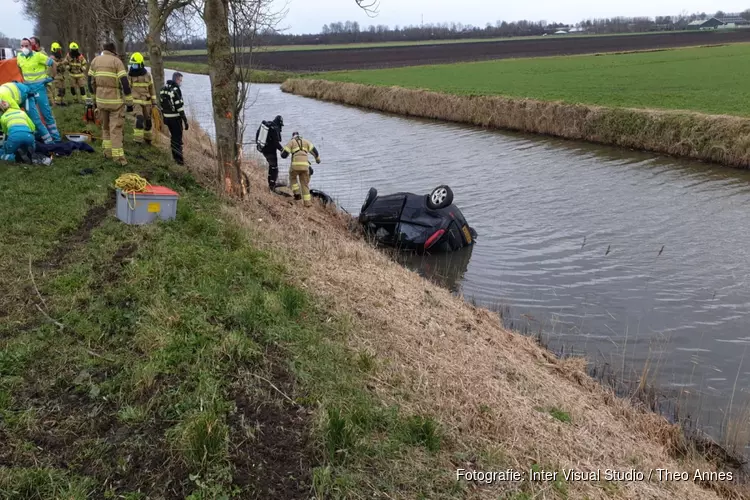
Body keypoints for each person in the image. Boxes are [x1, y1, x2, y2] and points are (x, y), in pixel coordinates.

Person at [88, 41, 133, 165]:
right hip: (115, 103)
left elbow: (90, 82)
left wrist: (94, 99)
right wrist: (129, 101)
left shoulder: (95, 61)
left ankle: (107, 153)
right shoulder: (117, 62)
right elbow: (124, 82)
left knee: (105, 127)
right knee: (116, 130)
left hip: (101, 101)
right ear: (114, 51)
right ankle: (119, 159)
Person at [17, 37, 60, 142]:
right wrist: (23, 79)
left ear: (31, 46)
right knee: (33, 115)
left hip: (39, 88)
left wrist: (52, 77)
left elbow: (53, 63)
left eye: (26, 46)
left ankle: (56, 138)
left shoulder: (38, 56)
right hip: (28, 89)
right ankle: (41, 136)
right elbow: (19, 67)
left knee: (46, 113)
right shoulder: (19, 56)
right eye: (22, 46)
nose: (24, 48)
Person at [280, 131, 321, 207]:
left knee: (292, 178)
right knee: (305, 184)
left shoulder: (291, 142)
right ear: (299, 136)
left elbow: (284, 155)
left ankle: (297, 194)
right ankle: (307, 204)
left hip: (295, 166)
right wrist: (317, 159)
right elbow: (315, 151)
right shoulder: (306, 142)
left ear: (293, 137)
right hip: (305, 167)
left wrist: (282, 151)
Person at [127, 52, 156, 145]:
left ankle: (148, 140)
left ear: (141, 64)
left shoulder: (148, 75)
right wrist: (128, 103)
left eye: (135, 64)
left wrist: (154, 103)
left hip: (147, 102)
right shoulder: (130, 75)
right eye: (132, 64)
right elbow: (127, 89)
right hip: (136, 101)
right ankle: (138, 141)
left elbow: (152, 89)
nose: (133, 66)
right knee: (139, 119)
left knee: (148, 122)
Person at [159, 72, 187, 165]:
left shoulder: (163, 89)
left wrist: (164, 117)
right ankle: (179, 160)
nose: (181, 82)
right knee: (177, 139)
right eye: (180, 80)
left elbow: (161, 104)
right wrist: (185, 120)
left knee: (173, 138)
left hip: (167, 118)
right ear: (176, 79)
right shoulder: (175, 89)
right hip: (175, 118)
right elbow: (179, 106)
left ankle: (175, 157)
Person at [0, 99, 36, 164]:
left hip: (14, 137)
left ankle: (16, 158)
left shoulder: (3, 117)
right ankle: (29, 153)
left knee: (5, 153)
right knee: (26, 145)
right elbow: (33, 127)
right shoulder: (22, 112)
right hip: (29, 136)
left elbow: (6, 132)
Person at [255, 115, 284, 190]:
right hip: (270, 151)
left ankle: (271, 183)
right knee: (275, 167)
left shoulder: (268, 126)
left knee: (271, 166)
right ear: (279, 123)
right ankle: (272, 186)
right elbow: (276, 143)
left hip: (264, 150)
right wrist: (283, 150)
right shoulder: (274, 128)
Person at [50, 42, 67, 106]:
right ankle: (57, 102)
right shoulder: (52, 58)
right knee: (58, 90)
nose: (59, 51)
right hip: (56, 77)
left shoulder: (59, 58)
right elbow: (55, 65)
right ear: (54, 50)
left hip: (61, 76)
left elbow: (62, 67)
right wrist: (62, 63)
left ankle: (61, 101)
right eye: (58, 50)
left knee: (63, 90)